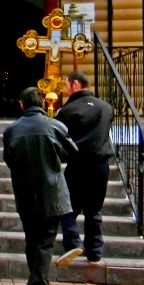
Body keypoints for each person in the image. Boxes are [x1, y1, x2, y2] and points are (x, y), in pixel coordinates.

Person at [3, 87, 77, 285]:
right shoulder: (55, 126)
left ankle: (35, 284)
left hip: (25, 191)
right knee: (44, 242)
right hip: (51, 192)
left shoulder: (12, 130)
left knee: (32, 240)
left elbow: (9, 159)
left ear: (22, 105)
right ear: (43, 104)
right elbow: (71, 152)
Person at [56, 70, 115, 265]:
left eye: (66, 85)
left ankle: (72, 243)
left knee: (67, 207)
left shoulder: (68, 111)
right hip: (100, 164)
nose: (65, 89)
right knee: (93, 210)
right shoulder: (106, 108)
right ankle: (95, 252)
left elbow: (61, 137)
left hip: (78, 163)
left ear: (75, 84)